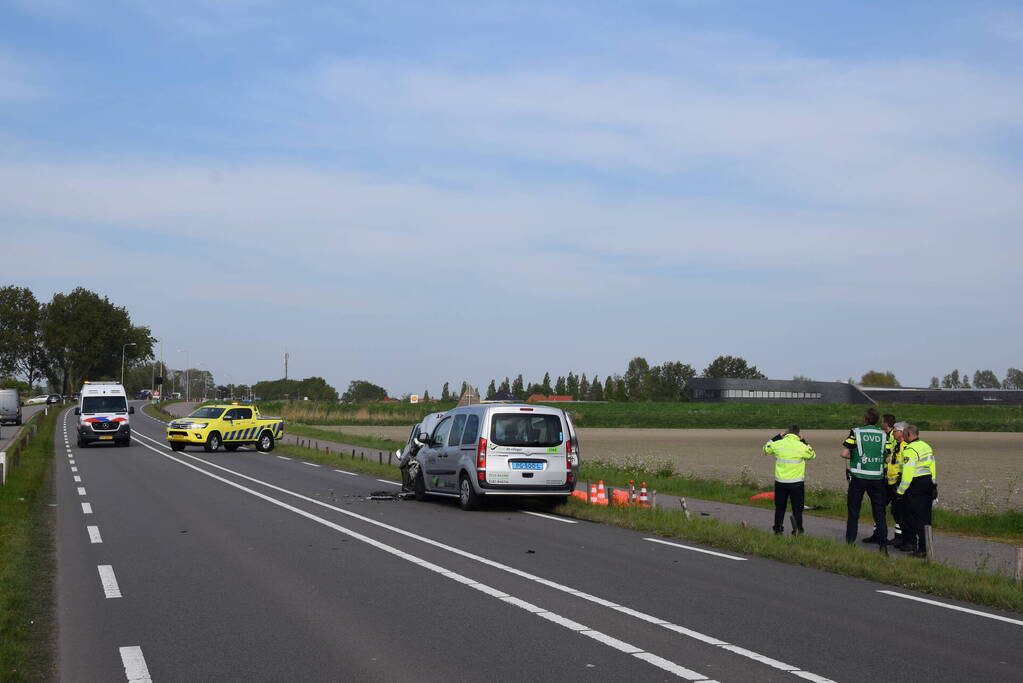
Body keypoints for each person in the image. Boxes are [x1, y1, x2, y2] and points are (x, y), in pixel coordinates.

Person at [841, 408, 889, 554]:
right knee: (879, 513)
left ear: (865, 419)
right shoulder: (883, 434)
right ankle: (883, 546)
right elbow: (887, 457)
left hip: (859, 478)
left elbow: (844, 453)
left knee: (854, 512)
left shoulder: (856, 432)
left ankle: (850, 544)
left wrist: (858, 458)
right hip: (877, 478)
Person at [763, 424, 817, 535]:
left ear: (786, 432)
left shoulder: (778, 443)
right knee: (797, 509)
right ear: (798, 433)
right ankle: (798, 530)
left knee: (780, 508)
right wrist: (804, 441)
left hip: (780, 482)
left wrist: (777, 436)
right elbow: (812, 455)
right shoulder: (801, 446)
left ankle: (778, 529)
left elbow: (766, 448)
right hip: (796, 483)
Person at [896, 424, 936, 557]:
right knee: (926, 517)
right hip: (927, 482)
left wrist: (900, 491)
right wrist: (934, 484)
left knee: (915, 517)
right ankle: (927, 547)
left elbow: (908, 474)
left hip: (915, 485)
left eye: (904, 435)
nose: (903, 437)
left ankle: (921, 549)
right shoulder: (926, 446)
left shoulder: (910, 450)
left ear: (908, 435)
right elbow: (932, 466)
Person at [862, 413, 897, 544]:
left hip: (891, 477)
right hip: (882, 475)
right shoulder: (884, 435)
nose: (880, 423)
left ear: (886, 423)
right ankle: (877, 534)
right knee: (879, 506)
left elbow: (891, 455)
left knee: (892, 508)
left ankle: (898, 538)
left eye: (882, 421)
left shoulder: (893, 437)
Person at [885, 421, 909, 546]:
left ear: (901, 432)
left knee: (901, 512)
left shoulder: (905, 446)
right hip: (892, 482)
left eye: (895, 431)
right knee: (896, 511)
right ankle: (900, 538)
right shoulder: (897, 445)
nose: (893, 433)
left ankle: (905, 539)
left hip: (899, 483)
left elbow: (905, 466)